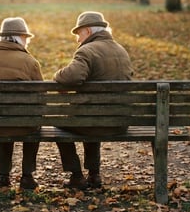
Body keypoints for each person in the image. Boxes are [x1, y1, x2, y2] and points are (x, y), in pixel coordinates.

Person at [54, 11, 133, 190]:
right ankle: (94, 174)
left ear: (88, 31)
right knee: (93, 116)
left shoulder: (87, 50)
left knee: (58, 124)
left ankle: (76, 174)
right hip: (121, 122)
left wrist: (56, 74)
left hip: (94, 121)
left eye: (79, 34)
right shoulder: (121, 50)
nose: (77, 39)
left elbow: (71, 77)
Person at [0, 16, 43, 189]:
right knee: (32, 120)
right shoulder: (30, 62)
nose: (27, 42)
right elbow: (41, 95)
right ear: (20, 38)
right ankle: (27, 175)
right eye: (26, 38)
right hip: (24, 125)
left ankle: (3, 176)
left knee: (2, 118)